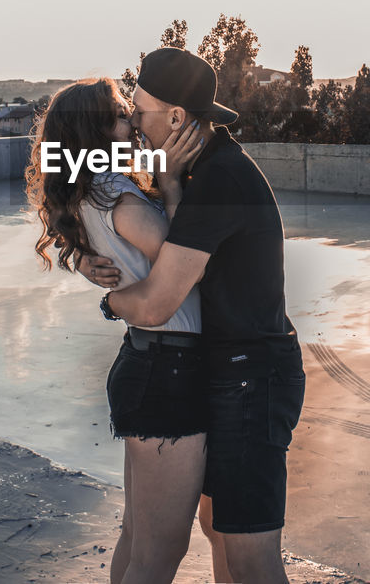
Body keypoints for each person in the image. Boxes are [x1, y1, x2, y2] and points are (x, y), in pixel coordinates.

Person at [81, 48, 305, 584]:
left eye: (138, 108)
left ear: (176, 118)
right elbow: (94, 185)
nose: (132, 120)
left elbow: (159, 301)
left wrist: (109, 301)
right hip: (222, 372)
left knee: (248, 554)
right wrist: (86, 255)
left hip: (252, 379)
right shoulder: (195, 167)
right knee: (217, 535)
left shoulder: (218, 179)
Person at [25, 77, 209, 584]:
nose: (132, 122)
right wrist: (171, 185)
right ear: (96, 132)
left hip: (150, 364)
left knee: (139, 538)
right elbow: (185, 259)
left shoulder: (93, 187)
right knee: (160, 551)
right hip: (167, 371)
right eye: (122, 115)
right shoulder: (118, 197)